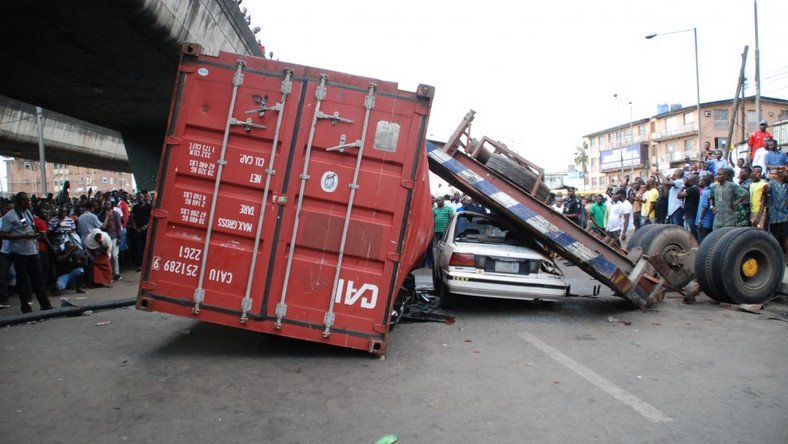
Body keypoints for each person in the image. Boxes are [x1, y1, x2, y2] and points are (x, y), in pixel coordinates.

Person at [0, 192, 53, 313]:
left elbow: (28, 226)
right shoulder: (10, 216)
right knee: (22, 280)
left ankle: (45, 304)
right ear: (21, 202)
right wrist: (22, 236)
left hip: (32, 251)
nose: (29, 203)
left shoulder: (27, 213)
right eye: (27, 201)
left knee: (38, 279)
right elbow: (2, 234)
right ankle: (25, 307)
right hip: (19, 253)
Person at [763, 167, 788, 252]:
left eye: (776, 173)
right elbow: (766, 189)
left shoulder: (786, 184)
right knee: (775, 239)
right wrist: (765, 190)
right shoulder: (771, 184)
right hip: (774, 217)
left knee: (786, 238)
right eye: (771, 173)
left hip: (785, 216)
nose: (774, 175)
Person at [427, 196, 454, 268]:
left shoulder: (448, 209)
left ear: (443, 201)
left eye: (439, 200)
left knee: (445, 247)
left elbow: (452, 219)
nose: (438, 201)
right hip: (436, 231)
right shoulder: (434, 209)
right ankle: (436, 262)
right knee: (437, 247)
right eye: (437, 200)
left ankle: (443, 262)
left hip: (445, 232)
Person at [100, 199, 123, 280]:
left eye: (108, 204)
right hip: (105, 237)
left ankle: (116, 273)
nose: (107, 206)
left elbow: (119, 226)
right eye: (106, 204)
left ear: (111, 205)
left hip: (114, 237)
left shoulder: (116, 214)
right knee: (108, 256)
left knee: (114, 255)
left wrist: (119, 238)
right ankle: (109, 274)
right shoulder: (102, 214)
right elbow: (101, 227)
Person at [129, 191, 152, 272]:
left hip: (146, 230)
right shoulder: (135, 207)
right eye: (138, 197)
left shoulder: (149, 206)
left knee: (147, 247)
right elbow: (132, 218)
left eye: (141, 197)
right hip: (138, 231)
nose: (140, 199)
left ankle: (147, 264)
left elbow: (151, 218)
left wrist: (146, 226)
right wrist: (135, 228)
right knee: (139, 248)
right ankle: (140, 265)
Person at [0, 199, 14, 309]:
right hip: (4, 251)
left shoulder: (20, 220)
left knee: (23, 274)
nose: (9, 211)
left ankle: (27, 297)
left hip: (17, 251)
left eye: (11, 209)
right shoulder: (1, 221)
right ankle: (4, 299)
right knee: (3, 275)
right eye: (7, 209)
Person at [679, 174, 700, 239]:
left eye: (686, 180)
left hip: (691, 214)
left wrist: (683, 186)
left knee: (692, 232)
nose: (685, 181)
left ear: (690, 181)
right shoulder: (694, 189)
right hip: (691, 214)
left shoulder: (692, 189)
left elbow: (679, 195)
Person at [696, 175, 715, 242]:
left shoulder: (705, 192)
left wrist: (700, 221)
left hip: (704, 222)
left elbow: (704, 207)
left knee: (702, 241)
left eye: (700, 180)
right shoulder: (708, 191)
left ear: (704, 182)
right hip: (707, 222)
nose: (699, 182)